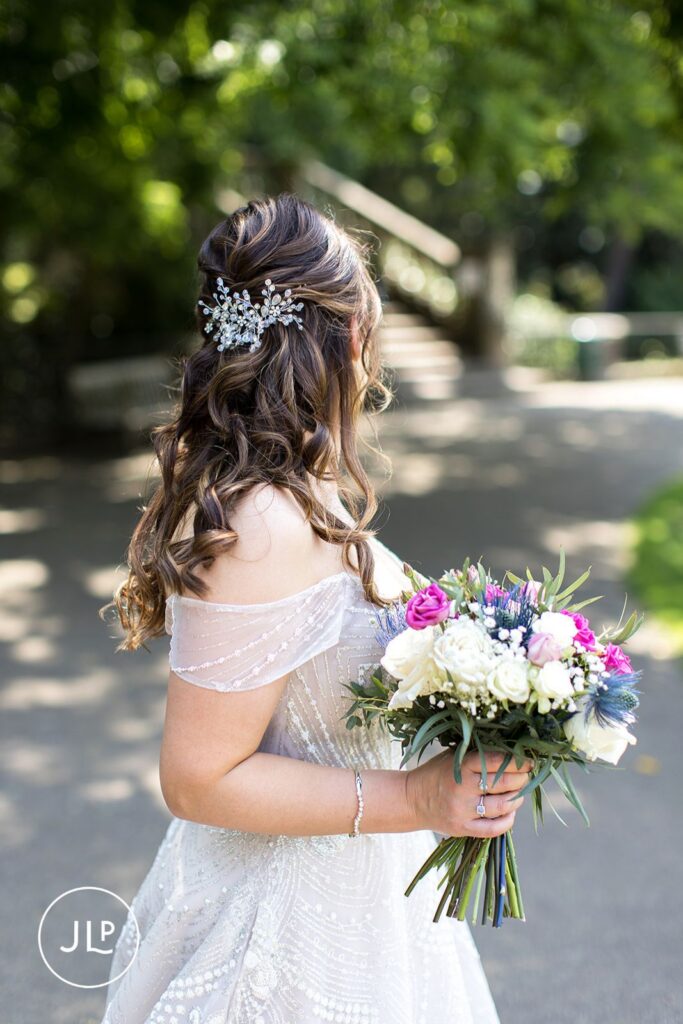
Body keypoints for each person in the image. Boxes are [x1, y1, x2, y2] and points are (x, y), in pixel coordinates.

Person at [99, 194, 529, 1024]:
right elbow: (197, 777)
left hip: (366, 900)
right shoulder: (263, 521)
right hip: (283, 934)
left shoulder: (295, 493)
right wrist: (418, 800)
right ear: (351, 335)